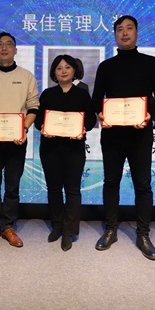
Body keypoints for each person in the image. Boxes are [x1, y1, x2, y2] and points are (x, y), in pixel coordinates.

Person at [91, 15, 155, 259]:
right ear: (114, 34)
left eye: (129, 28)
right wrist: (100, 113)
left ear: (137, 33)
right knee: (111, 182)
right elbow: (96, 98)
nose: (124, 33)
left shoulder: (151, 63)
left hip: (140, 134)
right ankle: (111, 230)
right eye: (120, 29)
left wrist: (148, 113)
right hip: (112, 135)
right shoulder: (106, 66)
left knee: (143, 185)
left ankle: (143, 234)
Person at [0, 32, 39, 247]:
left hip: (16, 141)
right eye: (0, 45)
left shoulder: (27, 76)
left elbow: (33, 107)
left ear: (15, 50)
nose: (4, 48)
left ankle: (9, 226)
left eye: (9, 44)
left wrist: (24, 129)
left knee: (12, 186)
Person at [35, 55, 97, 251]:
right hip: (50, 148)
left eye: (67, 67)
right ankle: (57, 225)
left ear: (74, 71)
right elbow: (38, 121)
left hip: (74, 149)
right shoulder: (47, 94)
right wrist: (43, 127)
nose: (63, 71)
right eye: (59, 68)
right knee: (53, 188)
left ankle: (69, 230)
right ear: (54, 72)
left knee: (72, 189)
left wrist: (82, 129)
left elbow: (91, 120)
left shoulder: (82, 94)